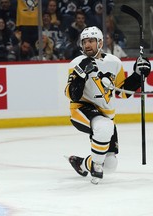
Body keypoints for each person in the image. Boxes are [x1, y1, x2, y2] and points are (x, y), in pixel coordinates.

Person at [64, 26, 151, 184]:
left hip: (106, 115)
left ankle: (81, 163)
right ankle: (96, 165)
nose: (87, 45)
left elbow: (122, 91)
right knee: (104, 127)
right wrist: (81, 75)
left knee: (110, 165)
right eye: (84, 42)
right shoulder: (76, 63)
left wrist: (139, 75)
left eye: (91, 41)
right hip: (82, 109)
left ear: (100, 42)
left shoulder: (114, 62)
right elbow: (72, 95)